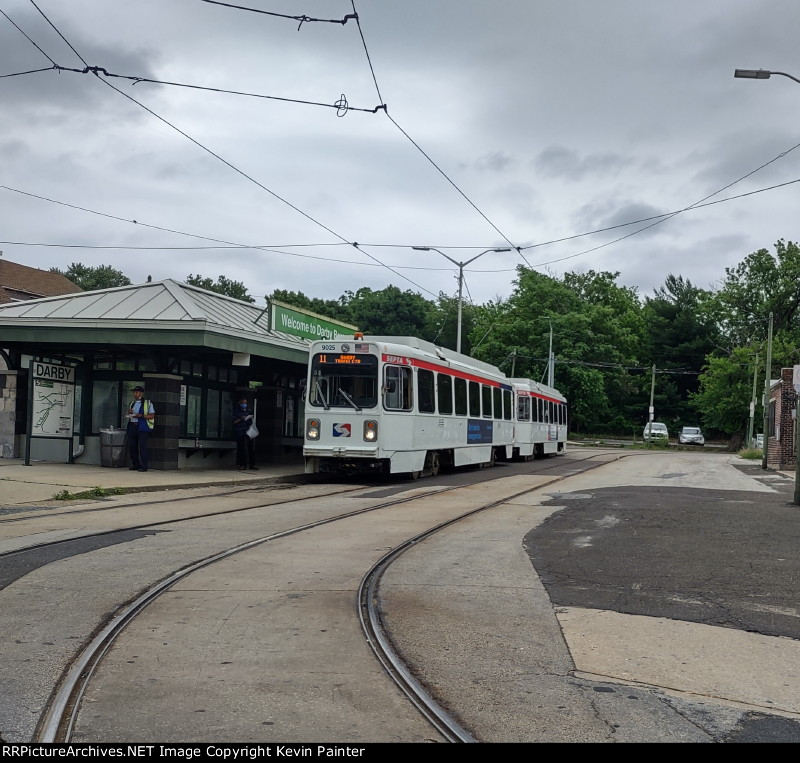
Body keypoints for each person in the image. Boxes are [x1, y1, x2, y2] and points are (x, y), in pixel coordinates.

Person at [127, 386, 155, 472]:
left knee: (142, 446)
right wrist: (129, 412)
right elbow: (130, 413)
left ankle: (144, 466)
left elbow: (152, 415)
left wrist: (141, 416)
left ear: (141, 393)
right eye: (134, 392)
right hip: (132, 425)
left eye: (136, 392)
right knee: (132, 446)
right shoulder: (132, 403)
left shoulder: (147, 403)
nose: (134, 394)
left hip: (142, 426)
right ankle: (136, 464)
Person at [233, 397, 258, 470]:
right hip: (240, 432)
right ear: (240, 403)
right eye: (243, 403)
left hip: (248, 432)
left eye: (245, 403)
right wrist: (241, 418)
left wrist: (250, 418)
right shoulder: (236, 411)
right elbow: (234, 422)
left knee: (251, 448)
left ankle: (252, 464)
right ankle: (242, 464)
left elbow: (252, 421)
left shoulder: (249, 411)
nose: (244, 404)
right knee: (242, 449)